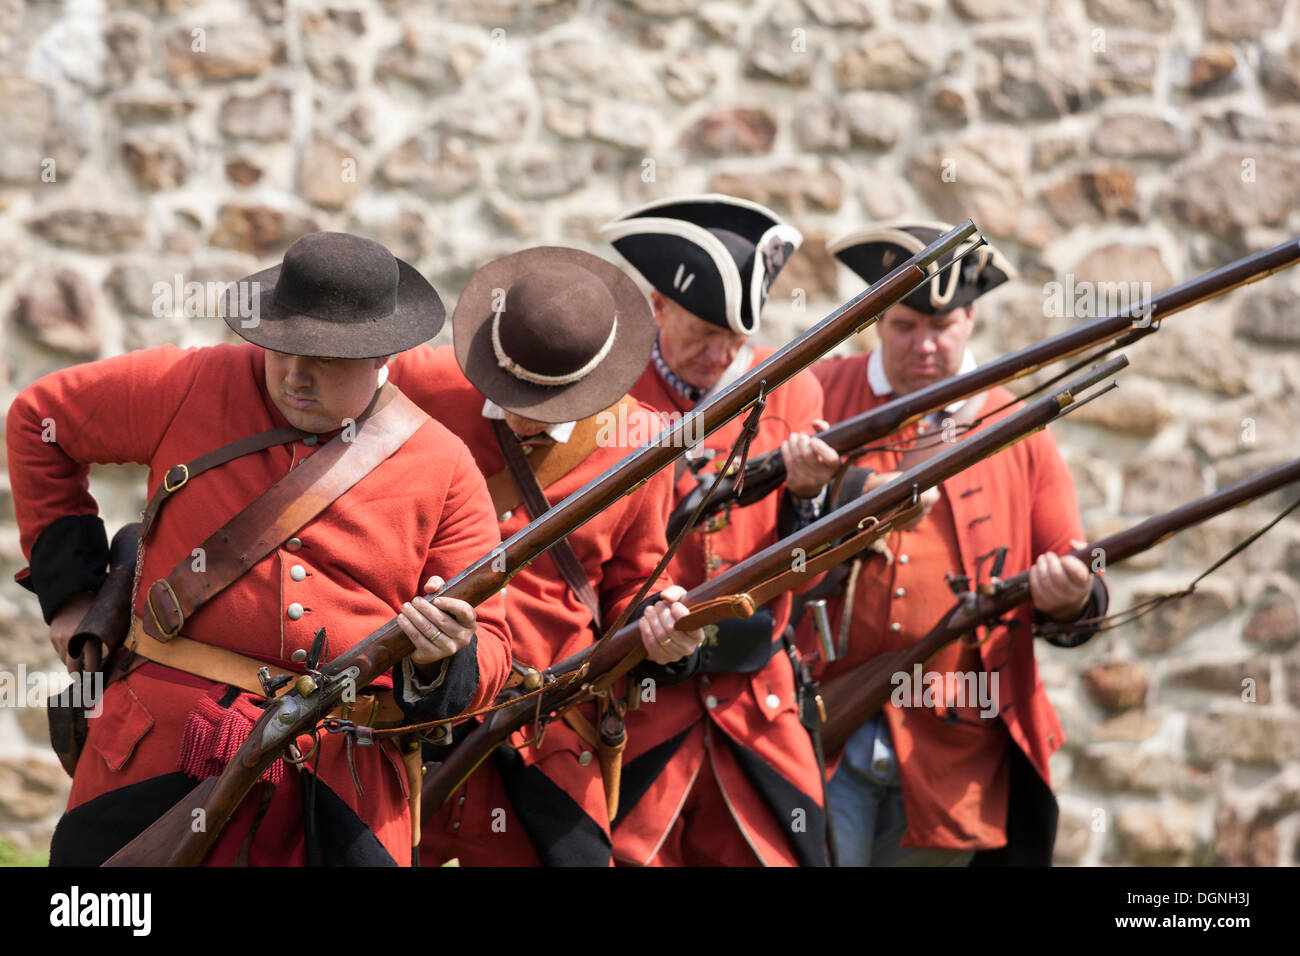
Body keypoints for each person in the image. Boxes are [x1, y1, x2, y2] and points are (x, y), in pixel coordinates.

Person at [6, 231, 512, 866]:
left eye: (326, 358)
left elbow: (491, 644)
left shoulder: (444, 464)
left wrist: (442, 659)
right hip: (162, 750)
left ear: (385, 353)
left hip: (339, 779)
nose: (297, 375)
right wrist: (71, 597)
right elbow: (38, 420)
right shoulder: (191, 383)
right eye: (283, 348)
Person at [387, 246, 705, 865]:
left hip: (544, 730)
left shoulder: (640, 444)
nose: (519, 416)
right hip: (411, 715)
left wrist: (660, 626)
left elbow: (629, 591)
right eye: (508, 392)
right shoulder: (416, 386)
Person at [806, 221, 1109, 866]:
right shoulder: (820, 397)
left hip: (957, 744)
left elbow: (1079, 574)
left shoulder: (1017, 429)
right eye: (905, 327)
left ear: (970, 320)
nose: (924, 346)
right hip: (824, 723)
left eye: (942, 327)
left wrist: (1067, 596)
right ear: (875, 323)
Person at [599, 194, 841, 866]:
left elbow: (809, 571)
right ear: (657, 305)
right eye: (704, 330)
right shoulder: (607, 392)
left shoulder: (792, 391)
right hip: (640, 705)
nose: (722, 353)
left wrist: (806, 500)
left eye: (736, 336)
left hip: (756, 706)